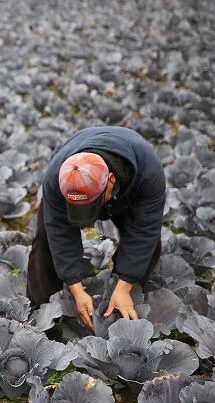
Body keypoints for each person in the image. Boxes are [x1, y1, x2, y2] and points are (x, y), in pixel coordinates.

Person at [26, 126, 166, 330]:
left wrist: (125, 285)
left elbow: (144, 232)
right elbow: (59, 231)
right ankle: (42, 316)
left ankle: (123, 307)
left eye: (90, 205)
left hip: (130, 190)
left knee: (150, 245)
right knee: (44, 239)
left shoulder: (148, 174)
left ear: (111, 181)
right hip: (78, 181)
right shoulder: (56, 177)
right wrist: (76, 289)